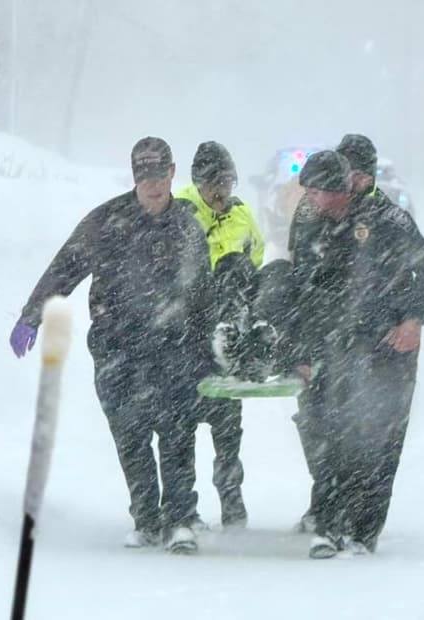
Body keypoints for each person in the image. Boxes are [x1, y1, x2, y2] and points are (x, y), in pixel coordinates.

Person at [8, 137, 215, 554]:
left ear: (172, 173)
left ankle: (179, 520)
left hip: (172, 346)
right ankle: (146, 519)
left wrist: (206, 353)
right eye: (145, 177)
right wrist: (32, 314)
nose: (153, 185)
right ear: (135, 178)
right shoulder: (106, 222)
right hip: (116, 345)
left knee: (177, 434)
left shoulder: (187, 228)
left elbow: (204, 299)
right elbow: (65, 267)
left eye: (160, 175)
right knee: (131, 434)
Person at [283, 148, 424, 559]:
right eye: (309, 191)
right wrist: (298, 348)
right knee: (329, 434)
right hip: (333, 347)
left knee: (376, 440)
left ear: (343, 189)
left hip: (386, 347)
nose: (312, 199)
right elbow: (300, 288)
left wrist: (413, 319)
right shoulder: (309, 224)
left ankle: (362, 532)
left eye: (320, 192)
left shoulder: (387, 221)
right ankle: (330, 522)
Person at [290, 134, 391, 533]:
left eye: (361, 174)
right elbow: (300, 263)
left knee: (352, 427)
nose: (354, 181)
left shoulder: (380, 213)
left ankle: (348, 513)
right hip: (319, 330)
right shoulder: (312, 208)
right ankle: (324, 501)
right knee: (314, 421)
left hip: (362, 340)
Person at [174, 141, 265, 529]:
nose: (221, 189)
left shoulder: (241, 214)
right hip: (188, 326)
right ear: (198, 182)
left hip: (227, 325)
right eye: (214, 182)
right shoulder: (181, 212)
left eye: (227, 180)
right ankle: (184, 508)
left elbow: (255, 257)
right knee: (182, 425)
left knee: (228, 425)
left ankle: (231, 497)